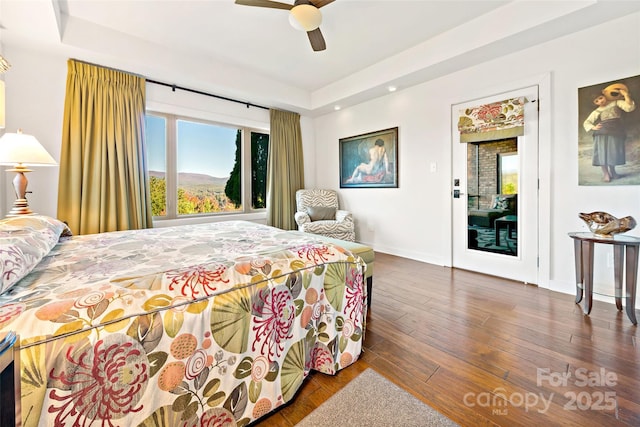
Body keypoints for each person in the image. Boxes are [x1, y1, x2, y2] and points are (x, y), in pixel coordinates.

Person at [583, 85, 635, 182]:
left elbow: (629, 107)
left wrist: (626, 95)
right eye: (596, 101)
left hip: (615, 131)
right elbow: (587, 122)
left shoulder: (616, 102)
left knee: (612, 153)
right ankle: (606, 174)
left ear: (604, 95)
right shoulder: (597, 110)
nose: (600, 101)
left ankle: (613, 171)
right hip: (602, 133)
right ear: (594, 103)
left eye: (600, 98)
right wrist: (593, 127)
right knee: (603, 153)